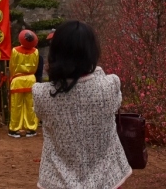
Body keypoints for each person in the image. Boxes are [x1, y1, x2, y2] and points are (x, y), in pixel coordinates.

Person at [33, 21, 131, 189]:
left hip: (57, 181)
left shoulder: (41, 93)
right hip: (107, 180)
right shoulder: (110, 85)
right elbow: (114, 101)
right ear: (92, 52)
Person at [8, 29, 40, 138]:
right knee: (30, 105)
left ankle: (14, 129)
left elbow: (12, 66)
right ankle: (31, 128)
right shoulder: (35, 51)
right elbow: (35, 66)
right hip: (31, 79)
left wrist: (13, 76)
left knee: (16, 105)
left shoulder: (15, 50)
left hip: (18, 80)